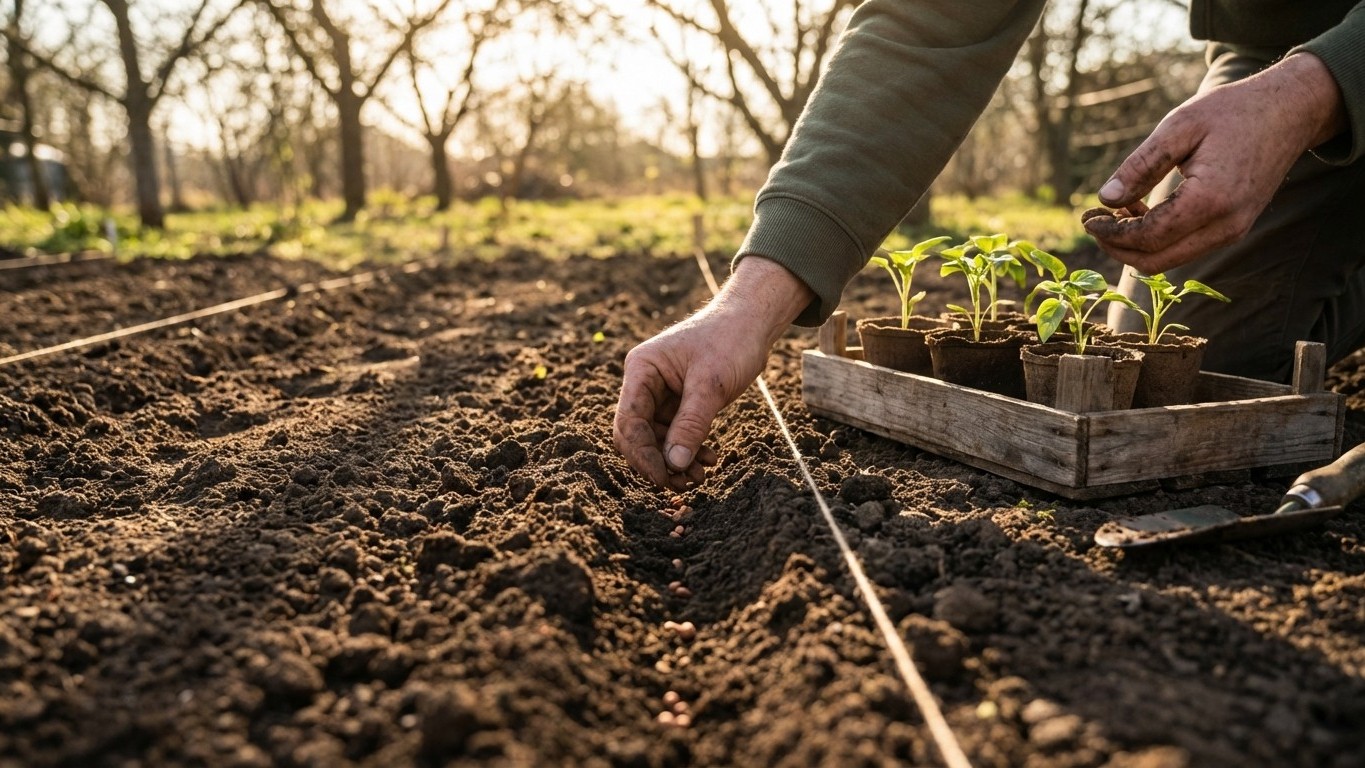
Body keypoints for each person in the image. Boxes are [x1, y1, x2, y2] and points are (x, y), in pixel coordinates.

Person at [614, 0, 1363, 491]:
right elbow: (926, 25)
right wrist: (748, 303)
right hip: (1281, 46)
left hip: (1334, 53)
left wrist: (1318, 90)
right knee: (1192, 362)